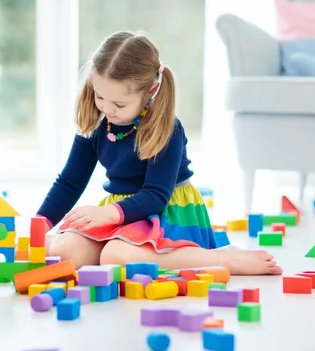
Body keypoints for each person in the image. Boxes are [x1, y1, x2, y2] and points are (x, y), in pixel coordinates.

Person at [36, 31, 282, 275]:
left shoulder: (166, 128)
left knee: (115, 256)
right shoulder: (98, 123)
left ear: (151, 91)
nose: (106, 109)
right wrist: (40, 224)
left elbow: (155, 195)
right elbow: (70, 182)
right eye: (99, 96)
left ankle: (221, 258)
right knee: (66, 251)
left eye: (119, 104)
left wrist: (107, 213)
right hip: (121, 211)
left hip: (164, 211)